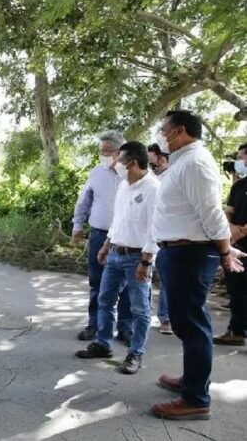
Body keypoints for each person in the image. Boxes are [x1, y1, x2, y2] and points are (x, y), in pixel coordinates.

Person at [151, 110, 245, 420]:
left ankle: (196, 398)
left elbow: (212, 213)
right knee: (186, 322)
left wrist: (225, 251)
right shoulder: (182, 162)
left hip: (190, 254)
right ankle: (190, 382)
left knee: (192, 325)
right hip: (178, 252)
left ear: (179, 131)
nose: (160, 134)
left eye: (163, 129)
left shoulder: (194, 163)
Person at [75, 142, 159, 374]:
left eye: (119, 160)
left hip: (137, 258)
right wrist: (105, 246)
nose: (115, 164)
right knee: (105, 300)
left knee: (140, 309)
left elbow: (156, 229)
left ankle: (135, 354)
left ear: (132, 162)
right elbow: (118, 220)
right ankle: (103, 344)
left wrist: (146, 261)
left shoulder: (153, 188)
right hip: (114, 253)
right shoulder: (124, 186)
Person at [72, 131, 133, 343]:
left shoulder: (132, 174)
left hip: (127, 238)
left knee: (127, 286)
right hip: (99, 235)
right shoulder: (97, 173)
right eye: (101, 151)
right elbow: (84, 201)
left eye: (107, 151)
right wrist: (77, 225)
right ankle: (95, 324)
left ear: (120, 152)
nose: (103, 155)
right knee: (97, 282)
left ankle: (125, 328)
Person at [214, 143, 247, 347]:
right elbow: (229, 210)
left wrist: (242, 230)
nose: (238, 162)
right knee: (236, 290)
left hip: (240, 237)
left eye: (241, 157)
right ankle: (236, 331)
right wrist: (230, 227)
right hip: (237, 247)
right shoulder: (239, 185)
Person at [147, 143, 173, 335]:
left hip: (167, 235)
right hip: (149, 232)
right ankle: (144, 314)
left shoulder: (172, 177)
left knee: (165, 278)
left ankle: (165, 318)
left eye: (152, 159)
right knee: (145, 273)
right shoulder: (151, 177)